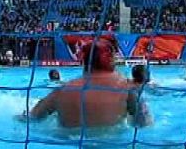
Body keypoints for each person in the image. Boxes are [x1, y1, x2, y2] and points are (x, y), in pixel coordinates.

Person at [22, 38, 152, 128]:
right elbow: (144, 125)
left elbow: (31, 119)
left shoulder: (61, 91)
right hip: (112, 148)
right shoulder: (127, 89)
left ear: (84, 61)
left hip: (69, 147)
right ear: (112, 60)